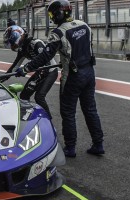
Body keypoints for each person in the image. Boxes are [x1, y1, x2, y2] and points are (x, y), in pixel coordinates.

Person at [14, 0, 104, 157]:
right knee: (90, 109)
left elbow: (45, 56)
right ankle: (98, 144)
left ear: (57, 14)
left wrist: (26, 68)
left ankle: (70, 148)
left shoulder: (58, 32)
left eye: (52, 14)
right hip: (89, 72)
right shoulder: (85, 25)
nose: (51, 18)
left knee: (68, 112)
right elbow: (83, 48)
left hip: (73, 77)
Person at [3, 25, 58, 119]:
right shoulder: (23, 49)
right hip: (40, 71)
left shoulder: (36, 44)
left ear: (17, 37)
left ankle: (48, 119)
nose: (12, 46)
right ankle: (26, 118)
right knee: (24, 96)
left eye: (12, 43)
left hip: (50, 71)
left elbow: (46, 63)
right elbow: (14, 67)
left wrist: (26, 70)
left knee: (39, 97)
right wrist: (0, 80)